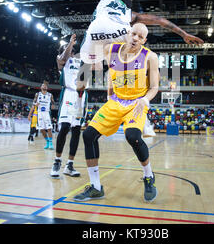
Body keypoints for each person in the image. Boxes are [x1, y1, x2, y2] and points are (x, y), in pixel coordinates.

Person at [77, 0, 204, 137]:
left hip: (95, 32)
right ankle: (143, 119)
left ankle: (82, 86)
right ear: (128, 7)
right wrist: (183, 33)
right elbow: (161, 20)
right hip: (119, 33)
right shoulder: (132, 15)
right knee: (133, 56)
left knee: (86, 68)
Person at [73, 22, 159, 203]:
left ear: (144, 40)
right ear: (128, 33)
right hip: (115, 102)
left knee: (133, 136)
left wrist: (145, 100)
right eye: (133, 34)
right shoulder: (110, 49)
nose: (135, 38)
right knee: (88, 135)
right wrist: (109, 92)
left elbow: (154, 87)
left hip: (136, 103)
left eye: (140, 37)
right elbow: (109, 70)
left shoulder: (150, 57)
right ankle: (96, 187)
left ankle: (148, 176)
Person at [50, 34, 86, 178]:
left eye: (70, 47)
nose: (69, 49)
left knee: (76, 130)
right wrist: (70, 43)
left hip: (79, 97)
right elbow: (64, 57)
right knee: (64, 127)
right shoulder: (61, 60)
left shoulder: (80, 60)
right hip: (68, 95)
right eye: (66, 47)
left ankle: (69, 165)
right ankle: (57, 161)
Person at [32, 81, 56, 150]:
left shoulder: (50, 95)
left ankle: (51, 143)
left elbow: (53, 102)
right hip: (40, 113)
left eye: (45, 86)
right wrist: (35, 104)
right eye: (43, 85)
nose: (44, 86)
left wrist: (53, 105)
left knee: (49, 128)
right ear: (41, 87)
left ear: (47, 88)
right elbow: (33, 102)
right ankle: (47, 141)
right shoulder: (37, 94)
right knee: (42, 129)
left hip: (46, 113)